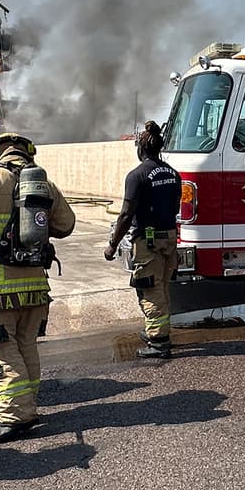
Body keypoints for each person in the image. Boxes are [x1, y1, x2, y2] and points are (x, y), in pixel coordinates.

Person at [0, 132, 76, 444]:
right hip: (35, 287)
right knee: (26, 346)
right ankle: (27, 407)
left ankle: (14, 417)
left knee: (1, 351)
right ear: (27, 152)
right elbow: (67, 224)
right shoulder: (43, 183)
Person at [104, 121, 182, 359]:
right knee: (163, 288)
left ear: (141, 148)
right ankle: (157, 331)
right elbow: (175, 206)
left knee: (149, 290)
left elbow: (126, 214)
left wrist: (112, 245)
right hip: (169, 238)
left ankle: (158, 342)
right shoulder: (173, 173)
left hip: (148, 242)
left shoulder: (136, 176)